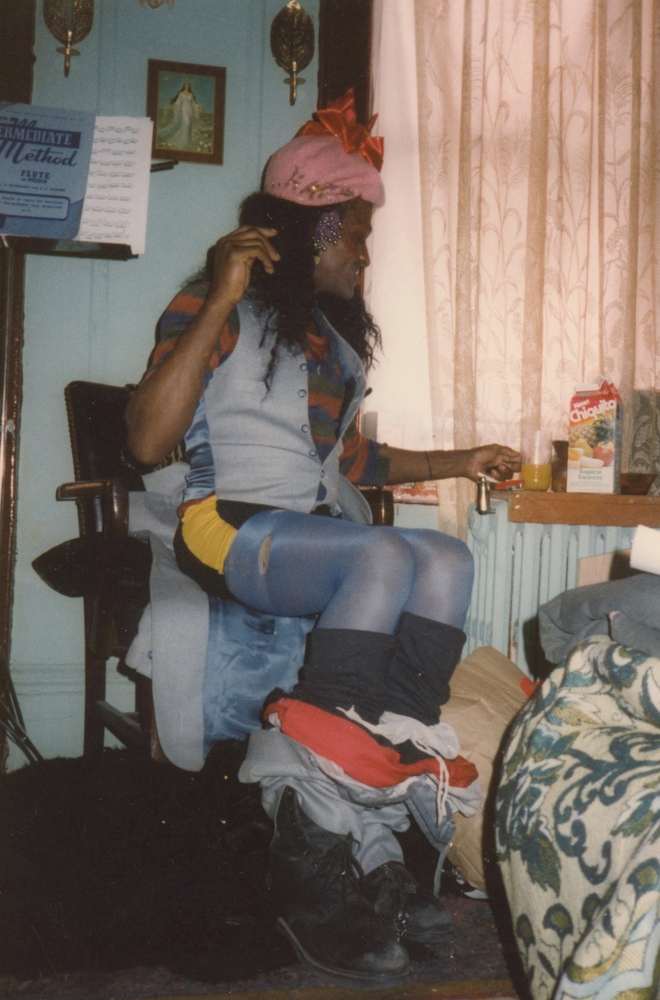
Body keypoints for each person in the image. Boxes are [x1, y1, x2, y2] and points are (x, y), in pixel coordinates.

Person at [126, 90, 520, 990]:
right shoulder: (216, 305)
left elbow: (353, 460)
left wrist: (462, 457)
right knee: (384, 554)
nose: (365, 256)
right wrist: (224, 290)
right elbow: (147, 438)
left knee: (447, 557)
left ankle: (372, 827)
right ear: (312, 236)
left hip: (309, 530)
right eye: (357, 238)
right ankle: (310, 841)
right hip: (221, 525)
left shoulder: (332, 345)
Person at [158, 79, 201, 150]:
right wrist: (175, 105)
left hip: (190, 111)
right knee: (187, 123)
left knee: (189, 125)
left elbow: (193, 103)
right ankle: (182, 141)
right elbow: (178, 102)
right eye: (185, 85)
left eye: (188, 85)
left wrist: (198, 107)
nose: (187, 86)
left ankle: (187, 141)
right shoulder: (181, 93)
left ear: (189, 86)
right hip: (183, 110)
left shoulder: (191, 94)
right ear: (184, 86)